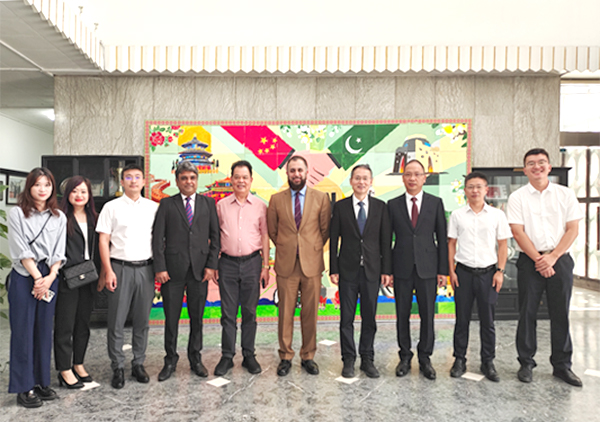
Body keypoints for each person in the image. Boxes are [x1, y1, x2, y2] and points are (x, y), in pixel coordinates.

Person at [507, 148, 583, 387]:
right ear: (525, 170)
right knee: (527, 313)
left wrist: (553, 257)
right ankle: (526, 363)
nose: (536, 167)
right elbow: (517, 232)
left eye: (541, 162)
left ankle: (562, 365)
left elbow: (573, 229)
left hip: (560, 259)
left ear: (549, 167)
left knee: (560, 313)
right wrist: (540, 260)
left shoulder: (565, 194)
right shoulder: (517, 197)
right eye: (531, 163)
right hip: (529, 261)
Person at [152, 160, 220, 381]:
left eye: (192, 178)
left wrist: (211, 266)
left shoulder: (208, 203)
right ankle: (170, 360)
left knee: (196, 318)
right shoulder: (167, 204)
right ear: (177, 181)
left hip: (199, 272)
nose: (188, 182)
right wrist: (160, 267)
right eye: (184, 178)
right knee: (171, 319)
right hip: (171, 273)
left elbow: (215, 238)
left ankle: (195, 359)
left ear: (197, 180)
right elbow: (157, 238)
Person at [7, 167, 66, 408]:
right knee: (23, 332)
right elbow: (21, 248)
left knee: (43, 330)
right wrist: (38, 278)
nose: (42, 189)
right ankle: (24, 387)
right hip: (24, 275)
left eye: (47, 185)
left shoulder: (59, 217)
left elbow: (59, 251)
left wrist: (50, 277)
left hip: (49, 275)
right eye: (37, 184)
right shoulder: (16, 213)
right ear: (29, 187)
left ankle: (41, 382)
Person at [267, 155, 331, 376]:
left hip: (312, 264)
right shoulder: (276, 199)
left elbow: (325, 230)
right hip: (286, 265)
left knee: (310, 313)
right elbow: (273, 230)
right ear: (287, 173)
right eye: (292, 170)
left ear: (306, 172)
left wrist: (309, 247)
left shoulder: (321, 198)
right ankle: (285, 356)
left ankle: (308, 356)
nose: (296, 174)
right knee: (285, 313)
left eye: (300, 170)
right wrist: (288, 246)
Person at [96, 163, 158, 389]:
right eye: (128, 177)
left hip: (146, 269)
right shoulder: (111, 207)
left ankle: (138, 363)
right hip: (119, 268)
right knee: (116, 321)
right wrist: (108, 270)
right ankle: (118, 366)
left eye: (137, 177)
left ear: (144, 181)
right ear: (122, 182)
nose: (133, 181)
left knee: (142, 320)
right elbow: (103, 240)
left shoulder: (153, 208)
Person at [447, 172, 511, 382]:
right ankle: (459, 359)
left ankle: (488, 362)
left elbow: (503, 244)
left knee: (488, 321)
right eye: (470, 187)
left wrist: (500, 271)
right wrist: (451, 271)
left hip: (488, 274)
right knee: (461, 319)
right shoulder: (457, 215)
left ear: (486, 190)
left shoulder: (497, 215)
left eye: (479, 187)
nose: (475, 190)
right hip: (463, 273)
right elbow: (451, 244)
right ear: (465, 190)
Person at [329, 164, 392, 379]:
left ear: (371, 182)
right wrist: (334, 268)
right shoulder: (340, 207)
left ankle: (367, 358)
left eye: (365, 178)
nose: (361, 182)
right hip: (347, 271)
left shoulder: (380, 207)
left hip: (372, 271)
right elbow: (334, 240)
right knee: (346, 318)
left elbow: (385, 242)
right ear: (351, 181)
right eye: (357, 178)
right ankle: (348, 359)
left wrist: (386, 270)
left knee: (369, 317)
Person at [388, 159, 448, 380]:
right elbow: (387, 240)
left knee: (427, 315)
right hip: (401, 268)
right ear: (403, 178)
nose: (412, 178)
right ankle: (404, 356)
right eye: (408, 174)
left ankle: (425, 358)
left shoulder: (435, 203)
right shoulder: (392, 204)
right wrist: (388, 270)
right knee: (402, 314)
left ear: (424, 178)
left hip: (428, 268)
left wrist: (443, 270)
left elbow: (442, 238)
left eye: (417, 174)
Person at [213, 160, 270, 376]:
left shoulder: (260, 206)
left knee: (249, 311)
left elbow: (265, 236)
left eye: (245, 177)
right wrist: (214, 263)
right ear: (231, 180)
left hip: (252, 263)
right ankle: (227, 356)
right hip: (226, 263)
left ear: (251, 180)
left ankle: (248, 355)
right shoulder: (221, 206)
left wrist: (266, 266)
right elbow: (214, 237)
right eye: (237, 177)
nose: (241, 181)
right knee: (228, 313)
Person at [54, 176, 100, 389]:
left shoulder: (95, 218)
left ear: (89, 195)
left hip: (89, 277)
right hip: (67, 277)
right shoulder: (59, 218)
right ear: (67, 194)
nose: (79, 195)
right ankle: (64, 369)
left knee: (83, 324)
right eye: (74, 191)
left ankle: (78, 364)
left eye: (83, 191)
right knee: (65, 325)